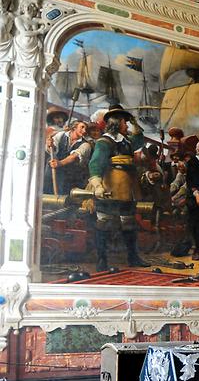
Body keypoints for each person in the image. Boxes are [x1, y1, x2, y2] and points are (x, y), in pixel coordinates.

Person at [86, 105, 148, 272]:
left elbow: (139, 140)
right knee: (104, 223)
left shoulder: (126, 141)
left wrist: (135, 124)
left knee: (129, 223)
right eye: (125, 122)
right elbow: (96, 163)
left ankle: (133, 258)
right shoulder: (104, 142)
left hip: (126, 190)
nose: (127, 125)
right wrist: (97, 185)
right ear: (118, 123)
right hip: (109, 189)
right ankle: (102, 261)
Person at [45, 121, 92, 195]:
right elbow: (52, 150)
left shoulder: (86, 145)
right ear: (74, 127)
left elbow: (73, 157)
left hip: (72, 175)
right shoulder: (61, 135)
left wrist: (60, 163)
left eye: (86, 129)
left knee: (64, 194)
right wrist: (50, 145)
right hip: (55, 169)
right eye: (82, 127)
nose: (84, 131)